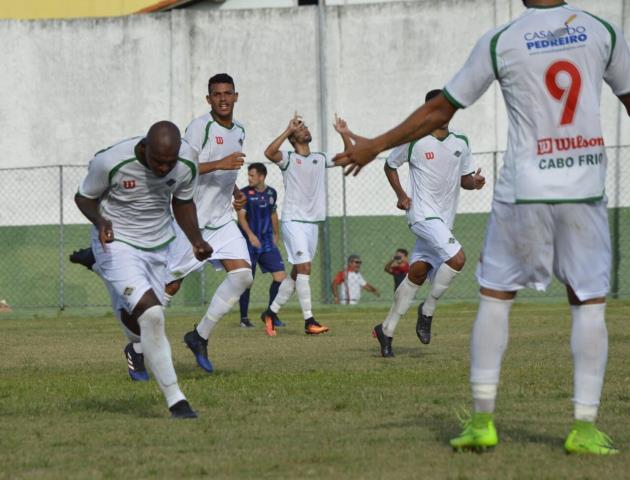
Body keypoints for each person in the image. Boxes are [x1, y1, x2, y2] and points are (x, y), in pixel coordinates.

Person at [335, 0, 630, 455]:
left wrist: (374, 144)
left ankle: (482, 420)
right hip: (583, 186)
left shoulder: (501, 40)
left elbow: (439, 110)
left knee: (495, 298)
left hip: (523, 191)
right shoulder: (602, 31)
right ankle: (584, 427)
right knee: (588, 303)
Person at [74, 121, 212, 418]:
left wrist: (196, 239)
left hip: (158, 246)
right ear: (144, 147)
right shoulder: (111, 161)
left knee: (141, 330)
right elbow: (83, 196)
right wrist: (100, 221)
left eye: (169, 163)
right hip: (117, 242)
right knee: (152, 315)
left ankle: (99, 270)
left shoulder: (187, 162)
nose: (163, 169)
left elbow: (183, 202)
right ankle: (177, 400)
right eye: (157, 162)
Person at [367, 89, 484, 356]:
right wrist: (401, 196)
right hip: (421, 214)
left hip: (443, 221)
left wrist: (474, 183)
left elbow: (465, 178)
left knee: (417, 273)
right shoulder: (414, 141)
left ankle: (386, 331)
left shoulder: (461, 142)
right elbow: (390, 165)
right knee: (458, 258)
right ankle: (427, 310)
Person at [164, 73, 253, 373]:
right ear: (209, 99)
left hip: (222, 220)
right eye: (217, 94)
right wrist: (219, 164)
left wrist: (237, 192)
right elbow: (181, 169)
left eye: (228, 93)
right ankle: (138, 347)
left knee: (243, 276)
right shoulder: (201, 126)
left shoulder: (239, 130)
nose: (223, 99)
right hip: (193, 221)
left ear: (236, 96)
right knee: (171, 285)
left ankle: (198, 336)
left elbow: (227, 175)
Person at [260, 113, 350, 336]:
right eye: (300, 129)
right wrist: (287, 130)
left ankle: (270, 313)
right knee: (306, 268)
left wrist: (344, 134)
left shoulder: (320, 158)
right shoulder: (288, 158)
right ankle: (309, 320)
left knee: (296, 273)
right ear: (293, 137)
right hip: (293, 221)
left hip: (312, 224)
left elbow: (348, 156)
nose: (305, 129)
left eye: (305, 127)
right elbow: (269, 153)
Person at [237, 163, 287, 328]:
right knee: (247, 281)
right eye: (248, 175)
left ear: (261, 176)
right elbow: (241, 217)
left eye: (252, 175)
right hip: (248, 244)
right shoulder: (244, 194)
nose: (249, 178)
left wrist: (276, 233)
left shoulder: (272, 193)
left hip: (266, 242)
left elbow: (273, 213)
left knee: (281, 277)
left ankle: (271, 314)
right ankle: (244, 319)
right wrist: (250, 235)